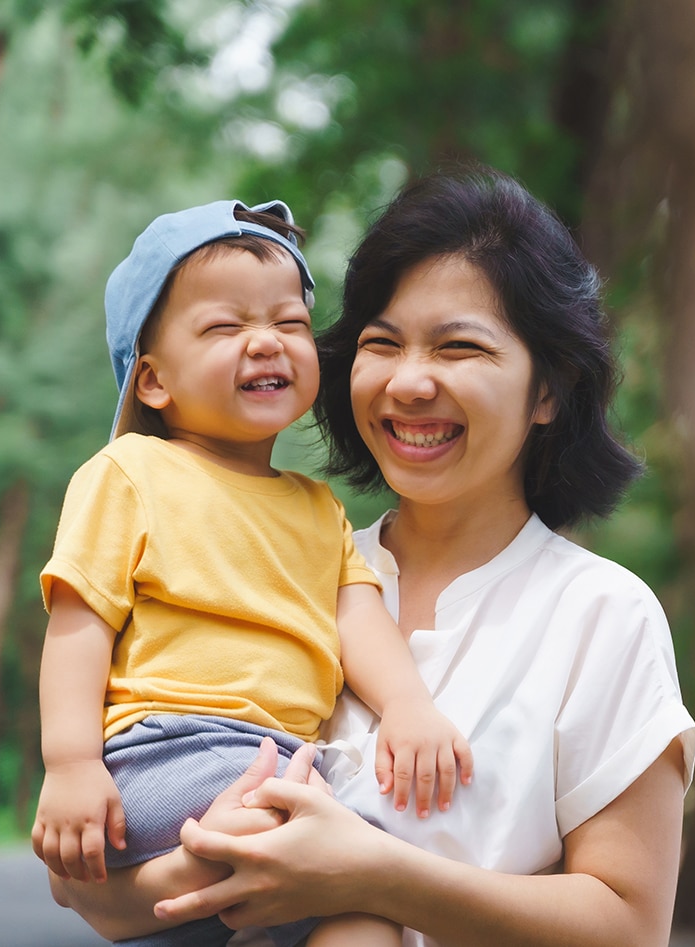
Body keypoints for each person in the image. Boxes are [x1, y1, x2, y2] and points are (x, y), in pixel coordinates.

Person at [51, 167, 695, 947]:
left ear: (548, 390)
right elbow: (83, 885)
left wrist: (374, 874)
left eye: (460, 347)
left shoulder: (601, 615)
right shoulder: (285, 565)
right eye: (380, 343)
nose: (410, 381)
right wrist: (208, 858)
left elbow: (628, 927)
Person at [34, 199, 475, 947]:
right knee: (349, 847)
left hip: (267, 754)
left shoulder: (314, 506)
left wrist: (407, 705)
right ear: (152, 381)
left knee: (366, 913)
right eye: (225, 327)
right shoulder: (130, 471)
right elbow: (81, 621)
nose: (266, 342)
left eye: (290, 323)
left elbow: (356, 616)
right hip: (168, 750)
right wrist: (71, 763)